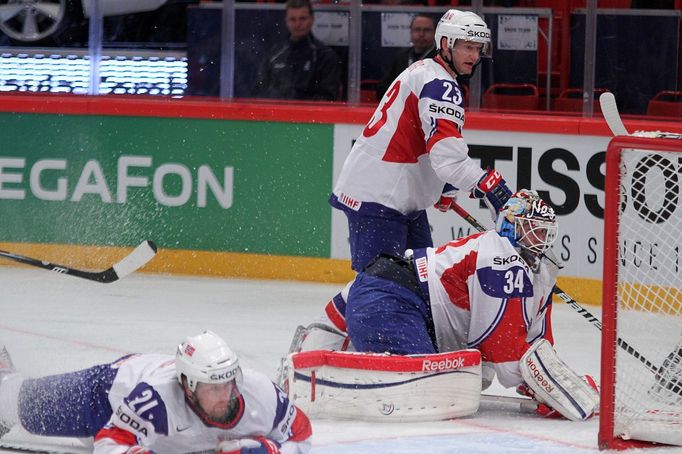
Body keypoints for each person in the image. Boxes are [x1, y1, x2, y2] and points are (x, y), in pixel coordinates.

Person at [301, 9, 511, 352]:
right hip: (379, 198)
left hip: (398, 199)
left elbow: (419, 142)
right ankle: (318, 345)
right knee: (377, 284)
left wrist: (441, 186)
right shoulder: (440, 84)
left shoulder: (430, 75)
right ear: (446, 44)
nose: (474, 56)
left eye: (478, 48)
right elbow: (446, 155)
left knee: (420, 277)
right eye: (467, 47)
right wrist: (489, 185)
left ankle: (403, 342)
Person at [291, 190, 600, 422]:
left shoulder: (538, 271)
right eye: (535, 229)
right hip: (392, 301)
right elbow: (507, 359)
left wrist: (552, 377)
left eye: (546, 231)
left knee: (471, 377)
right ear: (511, 227)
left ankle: (314, 354)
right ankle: (323, 384)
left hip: (390, 295)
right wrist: (546, 385)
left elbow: (537, 347)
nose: (543, 239)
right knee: (437, 388)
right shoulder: (501, 258)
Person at [0, 330, 312, 454]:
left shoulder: (262, 395)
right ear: (188, 387)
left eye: (228, 383)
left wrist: (269, 450)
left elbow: (303, 435)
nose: (224, 395)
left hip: (152, 419)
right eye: (212, 387)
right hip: (107, 396)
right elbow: (108, 443)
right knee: (23, 408)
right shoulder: (156, 400)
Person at [253, 0, 342, 101]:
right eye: (293, 19)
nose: (298, 24)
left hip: (307, 115)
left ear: (312, 19)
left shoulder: (325, 56)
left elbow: (328, 98)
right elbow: (259, 90)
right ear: (286, 21)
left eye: (302, 18)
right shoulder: (275, 53)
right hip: (275, 113)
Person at [375, 14, 437, 100]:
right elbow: (382, 89)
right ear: (411, 32)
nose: (421, 34)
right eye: (417, 29)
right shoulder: (401, 57)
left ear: (435, 33)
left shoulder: (441, 58)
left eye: (427, 30)